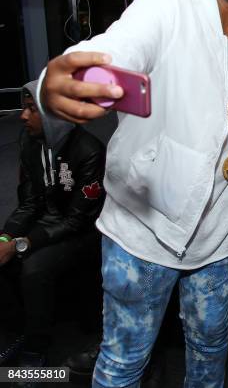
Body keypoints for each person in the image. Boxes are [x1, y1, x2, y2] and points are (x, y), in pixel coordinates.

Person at [39, 0, 228, 388]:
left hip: (222, 233)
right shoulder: (165, 5)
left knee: (210, 350)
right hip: (144, 228)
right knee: (125, 361)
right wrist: (62, 79)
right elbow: (115, 50)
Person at [0, 81, 105, 371]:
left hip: (83, 232)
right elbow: (29, 202)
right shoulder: (29, 141)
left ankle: (36, 351)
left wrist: (22, 244)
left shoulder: (89, 150)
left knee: (35, 269)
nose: (23, 116)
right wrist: (6, 236)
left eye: (32, 109)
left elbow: (76, 220)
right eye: (24, 108)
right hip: (46, 221)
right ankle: (20, 330)